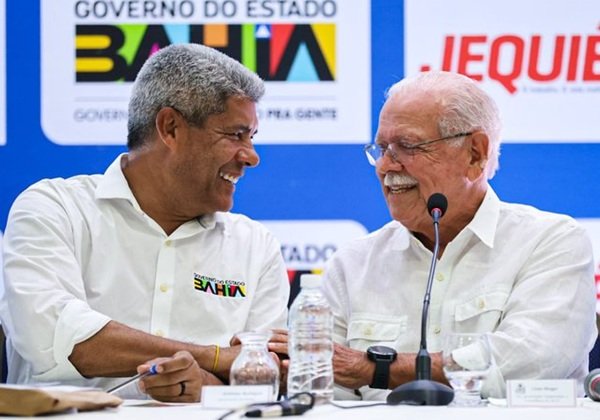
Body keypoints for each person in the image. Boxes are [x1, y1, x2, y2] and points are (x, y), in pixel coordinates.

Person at [0, 43, 290, 402]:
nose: (251, 156)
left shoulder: (255, 245)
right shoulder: (54, 209)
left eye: (251, 137)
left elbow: (264, 383)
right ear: (171, 128)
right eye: (235, 135)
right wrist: (216, 358)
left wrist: (205, 386)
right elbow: (54, 338)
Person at [321, 70, 597, 399]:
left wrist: (377, 369)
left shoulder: (552, 243)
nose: (385, 166)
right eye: (382, 149)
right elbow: (321, 388)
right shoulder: (352, 263)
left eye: (407, 147)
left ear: (475, 153)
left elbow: (528, 363)